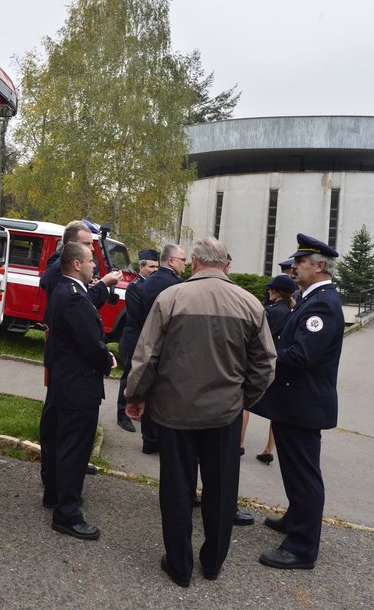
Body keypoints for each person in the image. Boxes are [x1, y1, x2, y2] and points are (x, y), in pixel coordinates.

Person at [125, 237, 276, 586]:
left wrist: (136, 395)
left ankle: (179, 566)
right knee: (221, 491)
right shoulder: (250, 303)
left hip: (174, 413)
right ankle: (212, 564)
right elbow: (266, 364)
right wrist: (243, 399)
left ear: (193, 262)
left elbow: (147, 357)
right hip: (224, 415)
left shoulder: (170, 298)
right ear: (226, 264)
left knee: (177, 490)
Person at [250, 233, 344, 570]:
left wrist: (266, 354)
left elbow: (303, 354)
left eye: (300, 263)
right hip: (294, 402)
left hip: (304, 404)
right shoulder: (311, 297)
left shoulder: (322, 303)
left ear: (319, 266)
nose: (293, 267)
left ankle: (302, 548)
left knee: (304, 474)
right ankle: (295, 519)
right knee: (293, 467)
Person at [39, 242, 116, 540]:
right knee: (74, 449)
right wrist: (107, 358)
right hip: (78, 386)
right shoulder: (73, 297)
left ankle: (56, 496)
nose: (95, 266)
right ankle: (67, 514)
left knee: (62, 443)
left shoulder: (68, 291)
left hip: (66, 382)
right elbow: (88, 342)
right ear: (75, 265)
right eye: (90, 262)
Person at [135, 243, 188, 454]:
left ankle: (149, 438)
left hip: (149, 340)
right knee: (163, 394)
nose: (185, 264)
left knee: (150, 390)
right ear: (171, 261)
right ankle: (156, 439)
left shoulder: (151, 280)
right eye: (183, 260)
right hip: (166, 345)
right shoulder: (173, 284)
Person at [254, 273, 297, 465]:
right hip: (282, 362)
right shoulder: (291, 311)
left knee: (244, 403)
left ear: (277, 293)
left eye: (271, 289)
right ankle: (268, 448)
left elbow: (257, 336)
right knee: (276, 409)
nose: (268, 291)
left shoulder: (270, 312)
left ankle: (237, 443)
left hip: (265, 361)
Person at [116, 249, 160, 433]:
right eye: (151, 267)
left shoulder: (152, 285)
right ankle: (122, 415)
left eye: (157, 266)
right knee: (129, 376)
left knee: (145, 376)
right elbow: (138, 316)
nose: (155, 270)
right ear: (141, 267)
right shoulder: (135, 287)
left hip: (147, 339)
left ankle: (138, 410)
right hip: (134, 339)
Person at [39, 220, 122, 315]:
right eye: (87, 243)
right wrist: (104, 283)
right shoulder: (61, 267)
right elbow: (82, 305)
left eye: (91, 243)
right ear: (70, 245)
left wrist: (87, 285)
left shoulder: (64, 263)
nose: (92, 248)